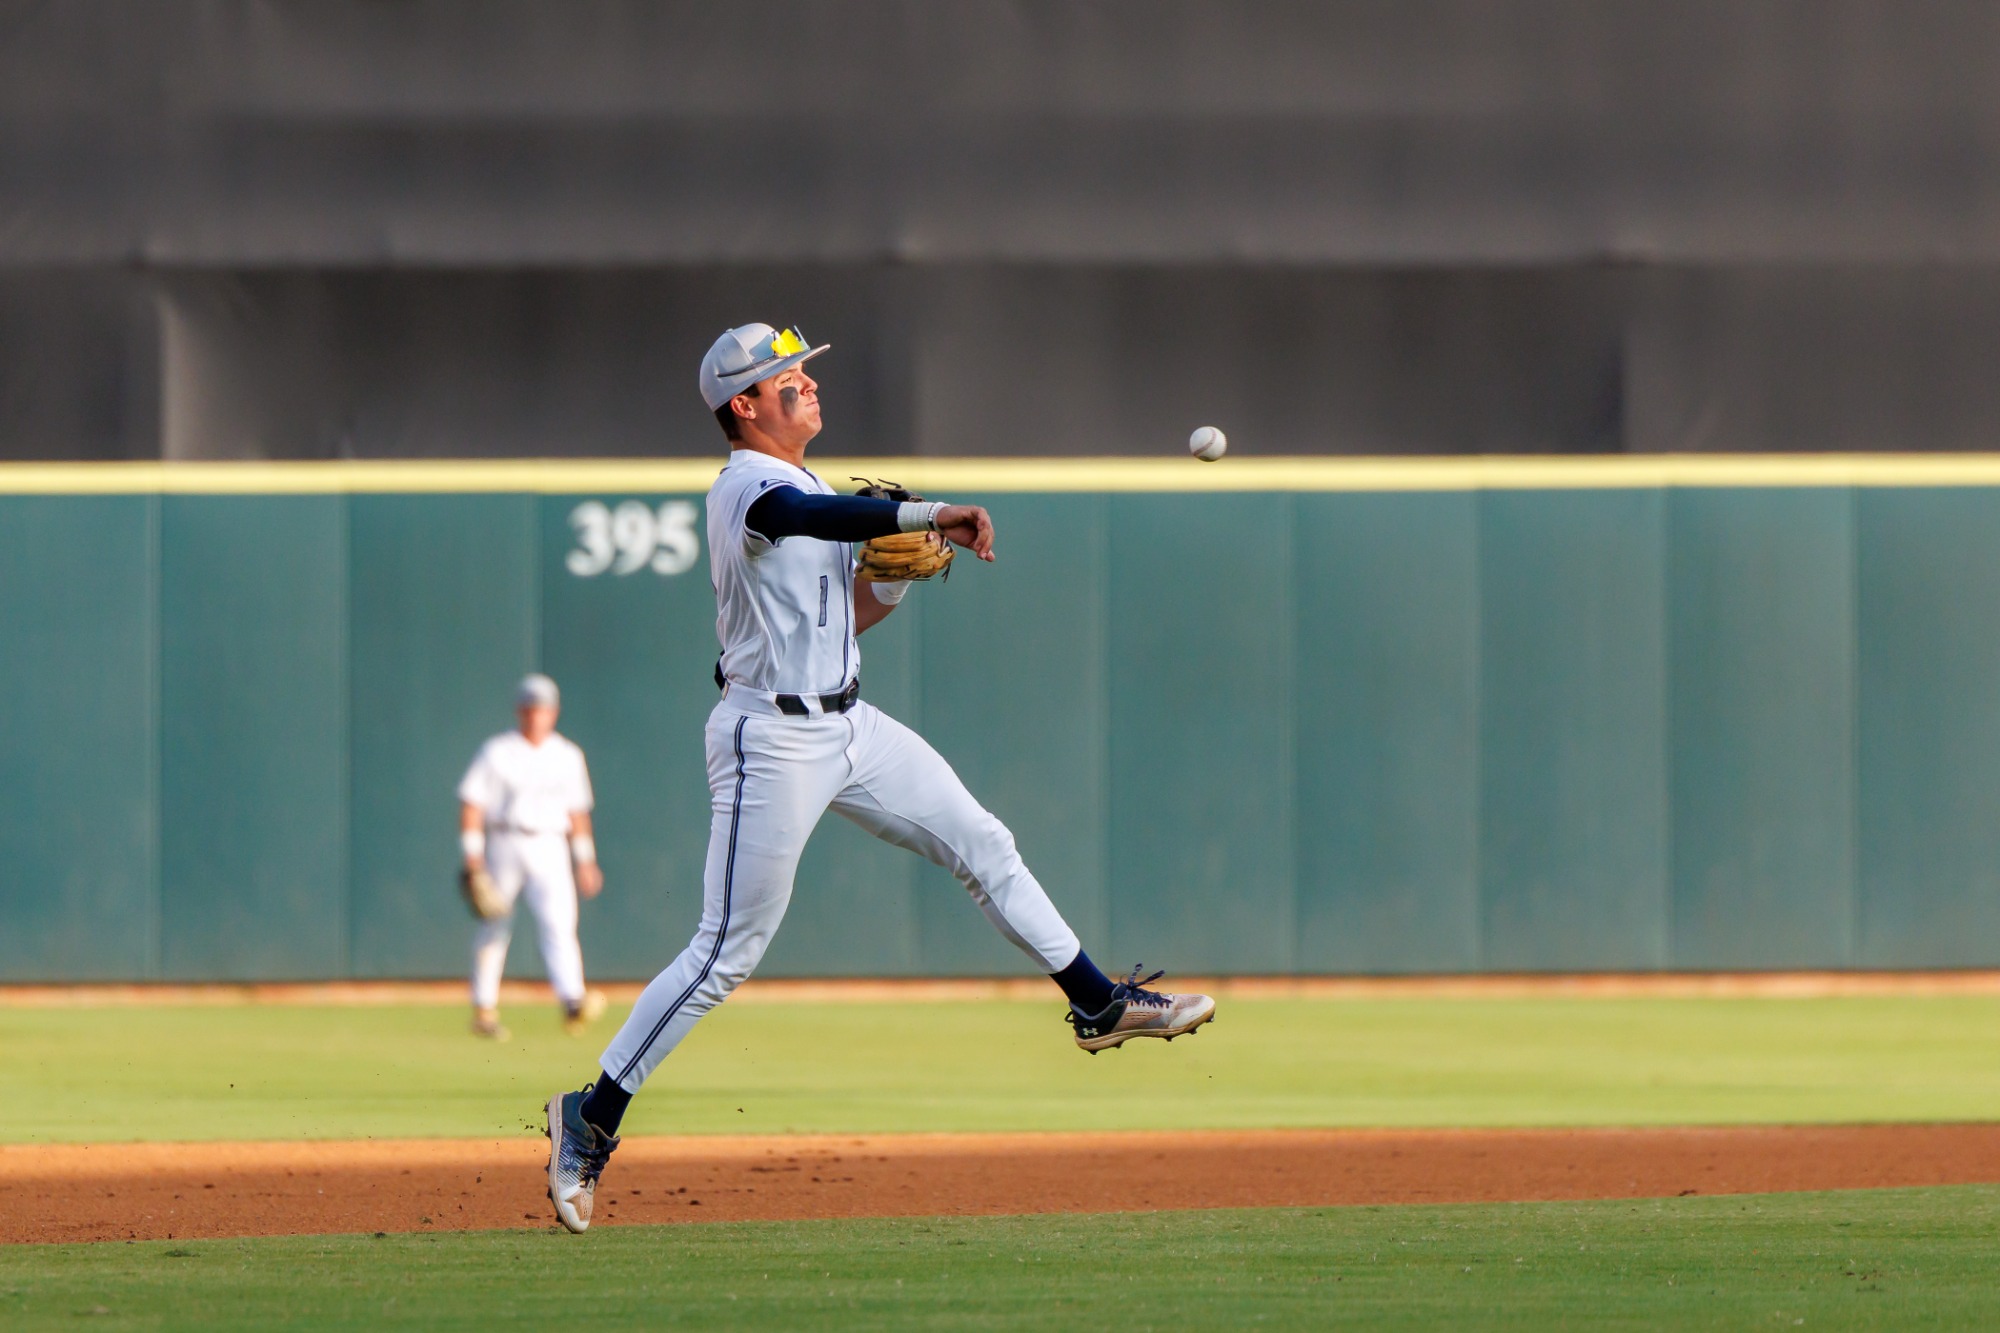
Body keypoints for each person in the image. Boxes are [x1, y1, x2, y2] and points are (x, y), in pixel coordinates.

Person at [541, 323, 1214, 1232]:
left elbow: (838, 623)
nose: (808, 385)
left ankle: (1098, 1000)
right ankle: (591, 1115)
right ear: (745, 405)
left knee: (984, 842)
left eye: (806, 372)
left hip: (849, 722)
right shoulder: (749, 485)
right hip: (768, 741)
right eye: (789, 379)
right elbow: (811, 520)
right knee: (724, 950)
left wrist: (893, 583)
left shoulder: (808, 480)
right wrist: (925, 515)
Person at [458, 673, 607, 1040]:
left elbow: (577, 812)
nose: (535, 716)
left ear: (553, 712)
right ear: (519, 711)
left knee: (560, 924)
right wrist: (473, 856)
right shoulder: (498, 751)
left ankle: (573, 1001)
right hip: (506, 840)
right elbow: (472, 802)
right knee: (494, 922)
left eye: (542, 709)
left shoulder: (567, 754)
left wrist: (585, 860)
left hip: (550, 844)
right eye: (529, 709)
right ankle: (484, 1008)